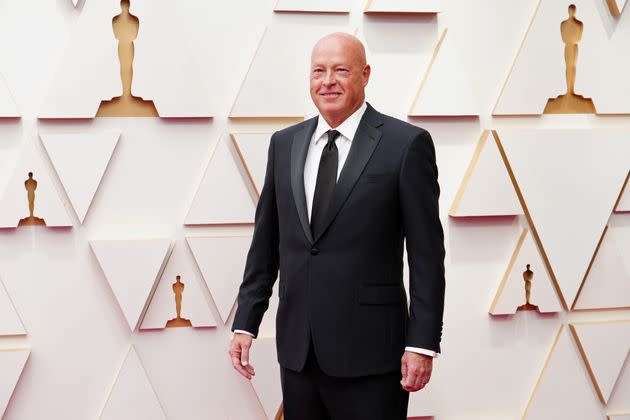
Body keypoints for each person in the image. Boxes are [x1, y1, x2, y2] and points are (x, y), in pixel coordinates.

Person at [229, 32, 445, 420]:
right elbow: (266, 244)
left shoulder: (405, 144)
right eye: (318, 71)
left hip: (372, 356)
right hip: (298, 354)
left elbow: (427, 255)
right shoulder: (284, 144)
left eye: (340, 70)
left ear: (365, 75)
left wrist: (422, 344)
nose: (327, 80)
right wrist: (245, 322)